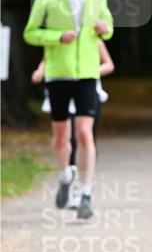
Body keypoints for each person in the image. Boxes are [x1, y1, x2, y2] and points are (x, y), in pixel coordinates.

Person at [23, 0, 114, 220]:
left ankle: (86, 193)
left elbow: (108, 28)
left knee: (85, 133)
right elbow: (30, 33)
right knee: (62, 137)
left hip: (87, 73)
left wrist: (104, 28)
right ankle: (65, 175)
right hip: (58, 74)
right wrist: (56, 37)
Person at [31, 40, 115, 207]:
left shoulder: (93, 40)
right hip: (63, 92)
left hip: (87, 91)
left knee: (85, 137)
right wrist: (40, 71)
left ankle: (83, 188)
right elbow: (48, 59)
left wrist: (89, 71)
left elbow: (109, 65)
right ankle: (67, 175)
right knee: (64, 139)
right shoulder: (58, 38)